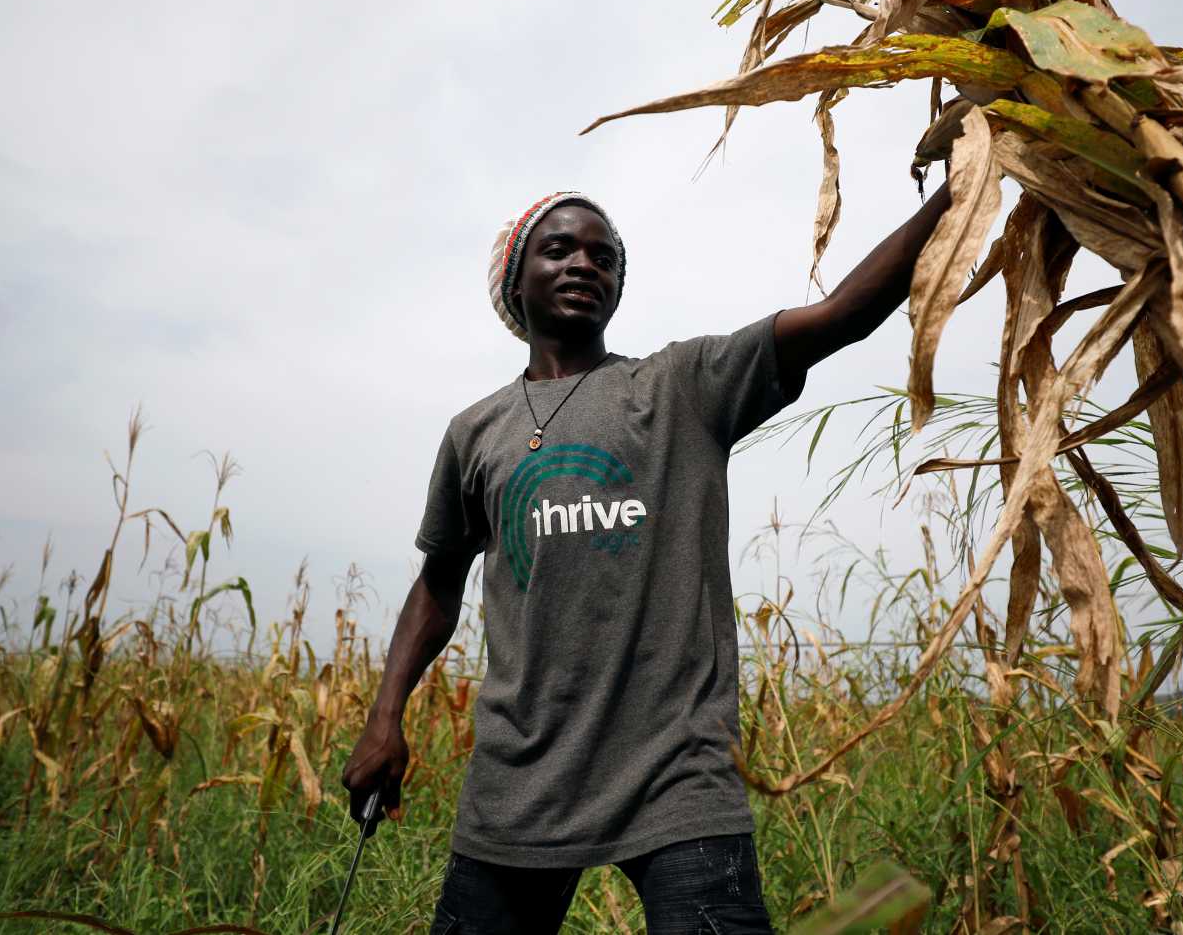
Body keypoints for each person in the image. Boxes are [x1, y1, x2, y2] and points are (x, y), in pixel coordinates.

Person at [341, 182, 952, 934]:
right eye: (558, 248)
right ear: (514, 279)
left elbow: (843, 315)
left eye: (604, 256)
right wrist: (384, 717)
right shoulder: (476, 432)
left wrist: (960, 189)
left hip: (676, 772)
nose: (583, 264)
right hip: (521, 775)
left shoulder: (682, 386)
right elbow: (438, 583)